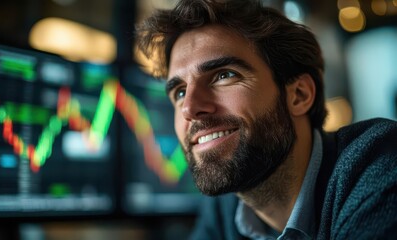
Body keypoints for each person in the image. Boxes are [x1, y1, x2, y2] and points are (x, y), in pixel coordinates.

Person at [135, 0, 397, 239]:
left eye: (224, 75)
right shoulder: (224, 207)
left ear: (299, 95)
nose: (189, 108)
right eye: (179, 92)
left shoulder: (380, 165)